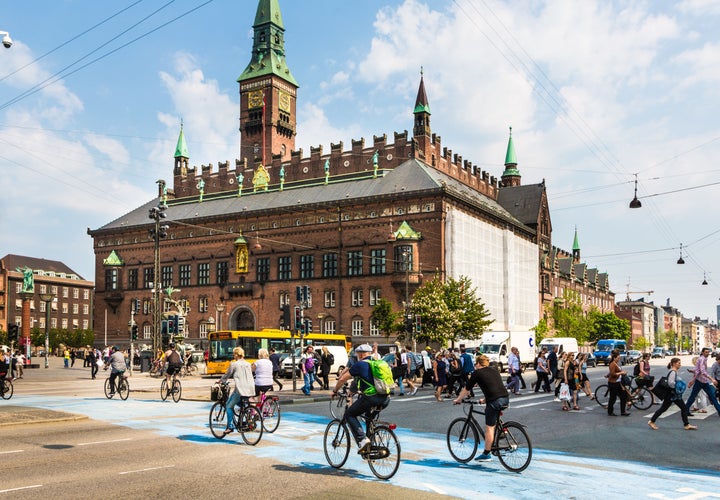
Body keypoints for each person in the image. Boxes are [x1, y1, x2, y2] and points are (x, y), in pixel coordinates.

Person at [331, 344, 390, 455]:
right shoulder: (378, 363)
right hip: (385, 398)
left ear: (361, 354)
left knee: (349, 414)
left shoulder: (360, 365)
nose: (357, 356)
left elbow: (343, 378)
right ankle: (369, 446)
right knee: (368, 417)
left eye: (357, 354)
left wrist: (334, 391)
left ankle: (363, 440)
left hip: (371, 398)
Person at [453, 354, 510, 463]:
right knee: (491, 413)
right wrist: (484, 400)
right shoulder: (494, 370)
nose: (475, 366)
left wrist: (459, 399)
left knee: (489, 428)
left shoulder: (477, 373)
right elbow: (493, 387)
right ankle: (502, 431)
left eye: (475, 364)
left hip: (495, 401)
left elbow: (466, 388)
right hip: (505, 398)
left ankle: (486, 453)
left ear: (478, 364)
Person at [648, 357, 696, 431]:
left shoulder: (674, 371)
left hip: (674, 395)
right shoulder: (673, 372)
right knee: (664, 408)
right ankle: (651, 421)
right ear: (674, 364)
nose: (680, 365)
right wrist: (677, 386)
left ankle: (686, 424)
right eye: (679, 363)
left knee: (683, 408)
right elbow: (670, 383)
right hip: (671, 395)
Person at [217, 346, 255, 435]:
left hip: (240, 389)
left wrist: (220, 380)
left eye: (234, 354)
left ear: (237, 355)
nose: (233, 356)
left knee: (228, 406)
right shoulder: (248, 364)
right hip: (250, 389)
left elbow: (227, 375)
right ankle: (247, 416)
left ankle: (230, 427)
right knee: (241, 403)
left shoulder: (234, 364)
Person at [684, 347, 720, 416]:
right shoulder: (702, 359)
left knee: (712, 396)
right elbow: (702, 371)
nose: (707, 353)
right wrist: (711, 379)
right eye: (706, 352)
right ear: (702, 352)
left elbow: (698, 370)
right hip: (700, 381)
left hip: (703, 381)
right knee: (693, 396)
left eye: (708, 352)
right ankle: (685, 411)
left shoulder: (703, 359)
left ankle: (685, 411)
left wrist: (693, 371)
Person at [606, 349, 630, 417]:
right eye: (618, 358)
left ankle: (623, 411)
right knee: (613, 398)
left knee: (623, 396)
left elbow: (611, 373)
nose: (619, 359)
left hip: (618, 382)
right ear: (614, 358)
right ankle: (610, 412)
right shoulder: (612, 364)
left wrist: (608, 375)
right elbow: (613, 374)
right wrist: (621, 373)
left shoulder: (616, 363)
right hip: (613, 383)